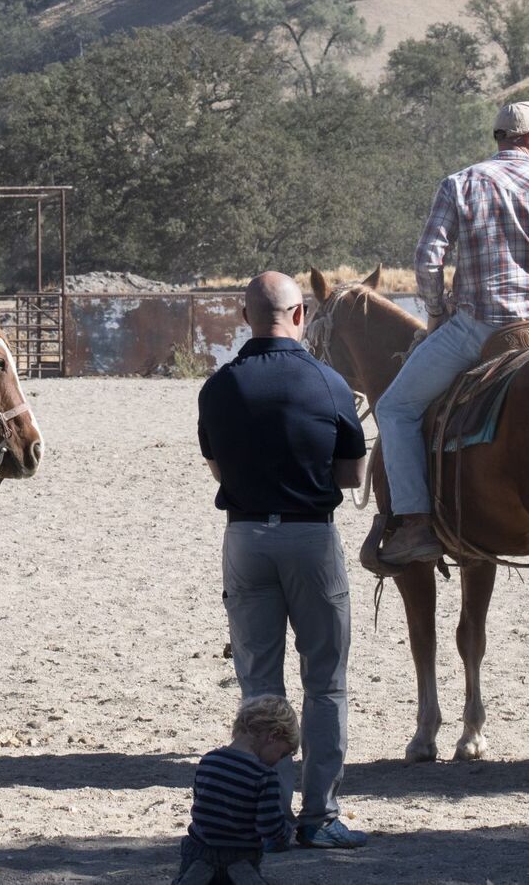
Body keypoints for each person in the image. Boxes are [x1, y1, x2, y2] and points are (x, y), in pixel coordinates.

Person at [366, 102, 529, 569]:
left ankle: (416, 523)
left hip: (482, 328)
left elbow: (428, 259)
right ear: (528, 137)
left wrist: (438, 313)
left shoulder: (461, 183)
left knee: (396, 408)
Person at [197, 272, 368, 852]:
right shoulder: (329, 382)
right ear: (300, 316)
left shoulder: (219, 387)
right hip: (310, 538)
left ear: (246, 318)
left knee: (259, 681)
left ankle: (265, 813)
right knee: (326, 682)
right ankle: (319, 813)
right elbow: (350, 475)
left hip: (245, 536)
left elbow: (217, 466)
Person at [172, 695, 301, 885]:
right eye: (282, 754)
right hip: (239, 857)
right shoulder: (264, 775)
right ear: (273, 735)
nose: (278, 761)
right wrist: (285, 832)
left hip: (198, 851)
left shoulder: (209, 760)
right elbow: (269, 825)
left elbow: (200, 805)